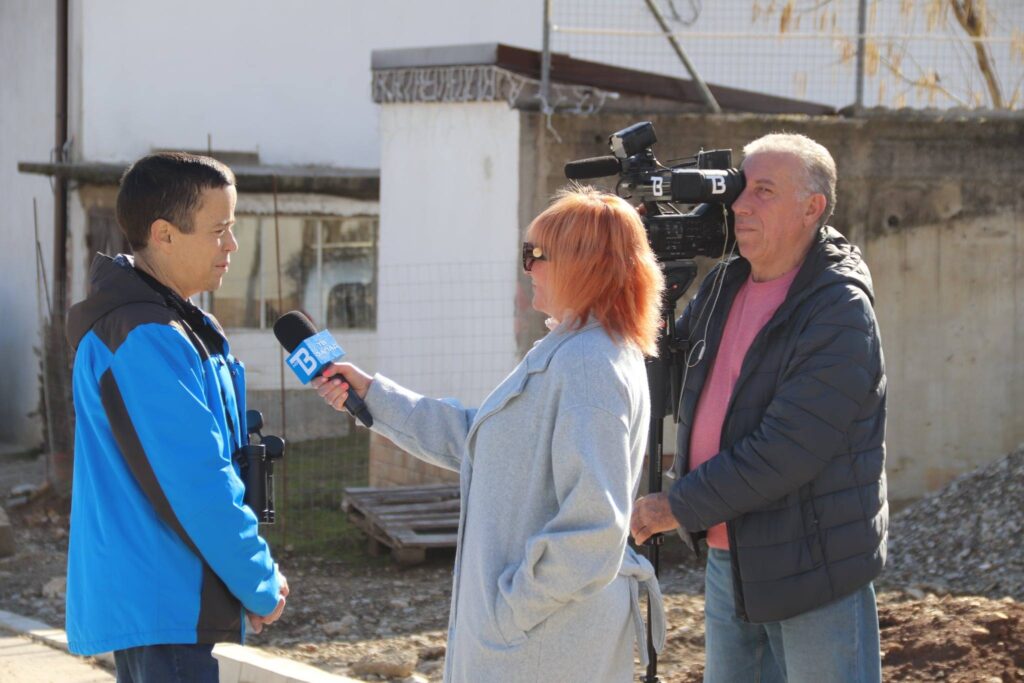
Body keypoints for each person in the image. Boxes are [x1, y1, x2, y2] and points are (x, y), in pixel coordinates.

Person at [313, 187, 667, 682]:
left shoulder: (588, 365)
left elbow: (594, 528)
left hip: (543, 645)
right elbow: (478, 440)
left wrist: (514, 607)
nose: (528, 267)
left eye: (536, 254)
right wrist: (371, 395)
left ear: (582, 264)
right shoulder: (574, 350)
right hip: (537, 639)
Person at [631, 133, 887, 683]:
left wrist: (676, 506)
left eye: (764, 191)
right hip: (732, 560)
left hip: (812, 567)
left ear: (811, 208)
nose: (741, 205)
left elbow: (787, 450)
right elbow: (663, 382)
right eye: (742, 188)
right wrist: (635, 286)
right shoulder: (725, 284)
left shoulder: (838, 309)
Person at [65, 152, 288, 682]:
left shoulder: (165, 324)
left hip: (156, 600)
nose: (232, 245)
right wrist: (258, 580)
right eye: (219, 230)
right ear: (164, 234)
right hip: (165, 600)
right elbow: (197, 482)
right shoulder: (149, 338)